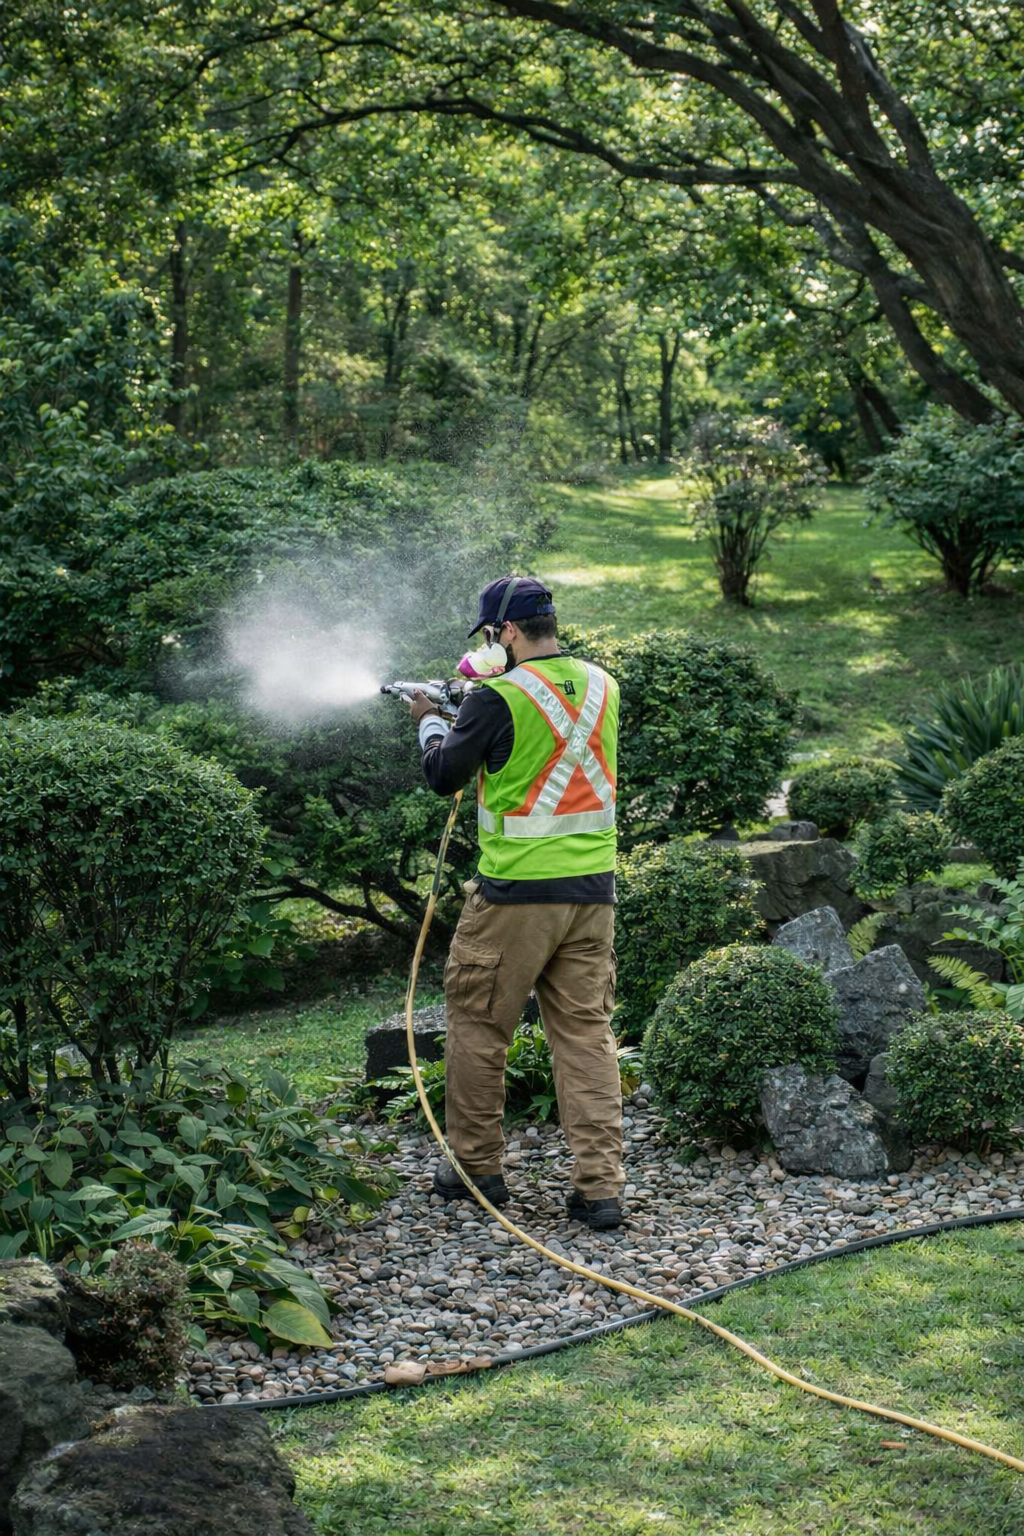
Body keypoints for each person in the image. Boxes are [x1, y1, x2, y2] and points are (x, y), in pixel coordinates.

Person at [407, 575, 625, 1231]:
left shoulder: (496, 697)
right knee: (586, 1036)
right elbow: (542, 732)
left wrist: (431, 724)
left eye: (490, 636)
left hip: (514, 899)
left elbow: (445, 774)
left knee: (478, 1024)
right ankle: (600, 1189)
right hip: (592, 893)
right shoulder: (602, 685)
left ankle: (476, 1168)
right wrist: (468, 707)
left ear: (505, 633)